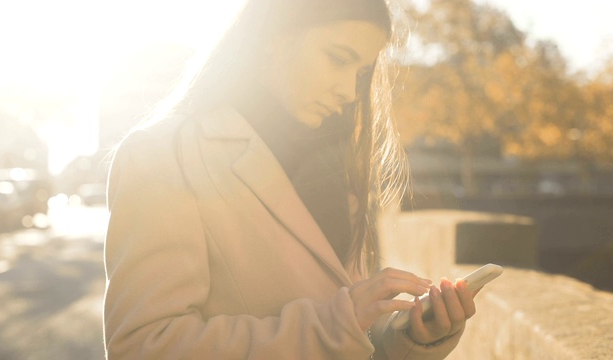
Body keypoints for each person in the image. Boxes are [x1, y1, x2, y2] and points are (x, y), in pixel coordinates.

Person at [103, 0, 480, 359]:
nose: (350, 92)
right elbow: (143, 347)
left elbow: (355, 337)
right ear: (275, 36)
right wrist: (336, 324)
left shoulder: (336, 168)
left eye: (361, 73)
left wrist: (409, 337)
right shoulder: (164, 153)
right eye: (337, 59)